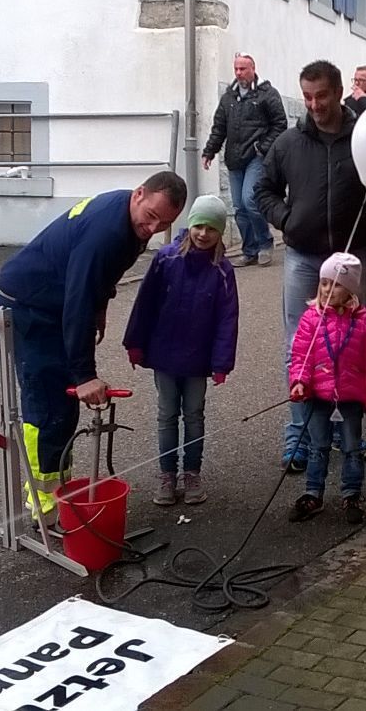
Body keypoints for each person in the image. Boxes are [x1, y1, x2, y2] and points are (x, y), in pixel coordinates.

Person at [0, 172, 187, 528]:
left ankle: (59, 493)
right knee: (48, 404)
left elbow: (101, 279)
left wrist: (102, 308)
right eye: (151, 216)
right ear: (139, 193)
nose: (153, 228)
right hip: (28, 305)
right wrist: (84, 374)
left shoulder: (128, 219)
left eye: (165, 224)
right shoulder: (107, 231)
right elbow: (77, 298)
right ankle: (42, 506)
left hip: (54, 304)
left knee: (64, 408)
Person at [256, 59, 366, 472]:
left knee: (349, 346)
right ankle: (300, 435)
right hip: (304, 258)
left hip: (353, 258)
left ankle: (347, 431)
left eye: (321, 95)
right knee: (300, 347)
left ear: (339, 92)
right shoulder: (288, 143)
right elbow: (263, 190)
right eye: (307, 96)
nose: (314, 104)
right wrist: (287, 220)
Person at [122, 195, 239, 507]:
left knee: (194, 416)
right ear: (190, 225)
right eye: (199, 226)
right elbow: (144, 303)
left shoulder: (223, 271)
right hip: (164, 354)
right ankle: (166, 474)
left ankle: (191, 472)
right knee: (166, 414)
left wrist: (221, 362)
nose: (203, 234)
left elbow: (228, 320)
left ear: (220, 232)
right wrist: (136, 342)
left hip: (199, 359)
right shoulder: (166, 258)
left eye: (211, 229)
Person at [287, 253, 366, 525]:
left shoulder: (364, 321)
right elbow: (300, 355)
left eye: (336, 285)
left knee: (352, 447)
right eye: (323, 284)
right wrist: (299, 381)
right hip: (317, 397)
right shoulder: (311, 318)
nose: (328, 290)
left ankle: (352, 493)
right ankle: (313, 493)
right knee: (317, 447)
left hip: (350, 399)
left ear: (351, 289)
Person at [203, 53, 286, 268]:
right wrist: (209, 152)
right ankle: (249, 250)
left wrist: (262, 148)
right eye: (236, 69)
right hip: (234, 158)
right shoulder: (228, 97)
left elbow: (280, 124)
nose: (239, 73)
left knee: (251, 200)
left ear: (252, 69)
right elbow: (219, 127)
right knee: (239, 206)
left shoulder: (267, 94)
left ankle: (265, 243)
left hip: (256, 157)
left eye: (243, 69)